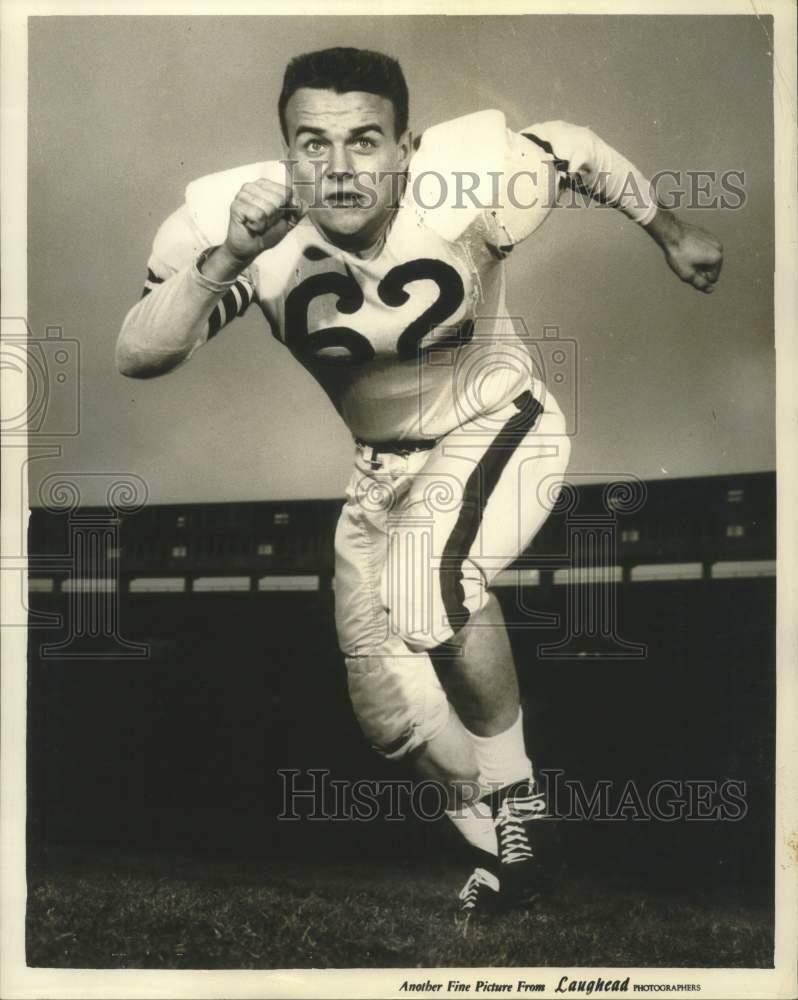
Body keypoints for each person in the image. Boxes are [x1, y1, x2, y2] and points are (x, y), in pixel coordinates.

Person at [116, 46, 723, 919]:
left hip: (498, 422)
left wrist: (669, 229)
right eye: (312, 144)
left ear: (407, 146)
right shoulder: (241, 226)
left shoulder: (467, 186)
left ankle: (521, 801)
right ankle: (513, 863)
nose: (339, 168)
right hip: (380, 470)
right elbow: (137, 355)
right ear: (284, 152)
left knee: (427, 583)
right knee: (390, 713)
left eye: (365, 141)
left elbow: (571, 145)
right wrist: (225, 259)